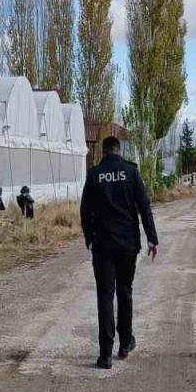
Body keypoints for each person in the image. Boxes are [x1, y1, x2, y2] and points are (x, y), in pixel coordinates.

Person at [80, 136, 159, 369]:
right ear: (119, 150)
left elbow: (85, 211)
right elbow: (144, 207)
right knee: (125, 292)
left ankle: (105, 355)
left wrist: (90, 240)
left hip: (103, 246)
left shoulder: (94, 175)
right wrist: (152, 238)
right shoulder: (131, 172)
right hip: (127, 245)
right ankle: (125, 344)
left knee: (105, 296)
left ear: (103, 152)